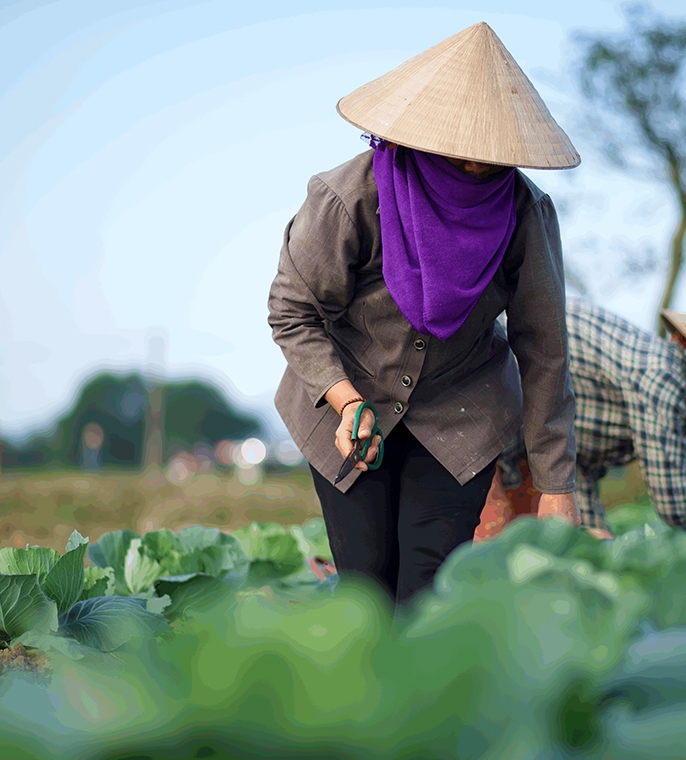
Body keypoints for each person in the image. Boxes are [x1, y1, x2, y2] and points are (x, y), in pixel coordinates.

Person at [268, 22, 581, 606]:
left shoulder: (524, 214)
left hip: (461, 412)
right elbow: (292, 310)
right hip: (350, 406)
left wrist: (557, 485)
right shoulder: (349, 198)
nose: (478, 167)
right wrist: (344, 398)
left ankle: (426, 694)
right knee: (367, 588)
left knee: (427, 589)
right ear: (420, 136)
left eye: (492, 157)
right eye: (462, 154)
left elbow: (544, 348)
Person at [474, 301, 686, 540]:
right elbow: (674, 503)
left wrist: (595, 531)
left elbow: (576, 460)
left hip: (526, 430)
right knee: (494, 531)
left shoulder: (658, 389)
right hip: (494, 397)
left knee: (537, 537)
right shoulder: (665, 382)